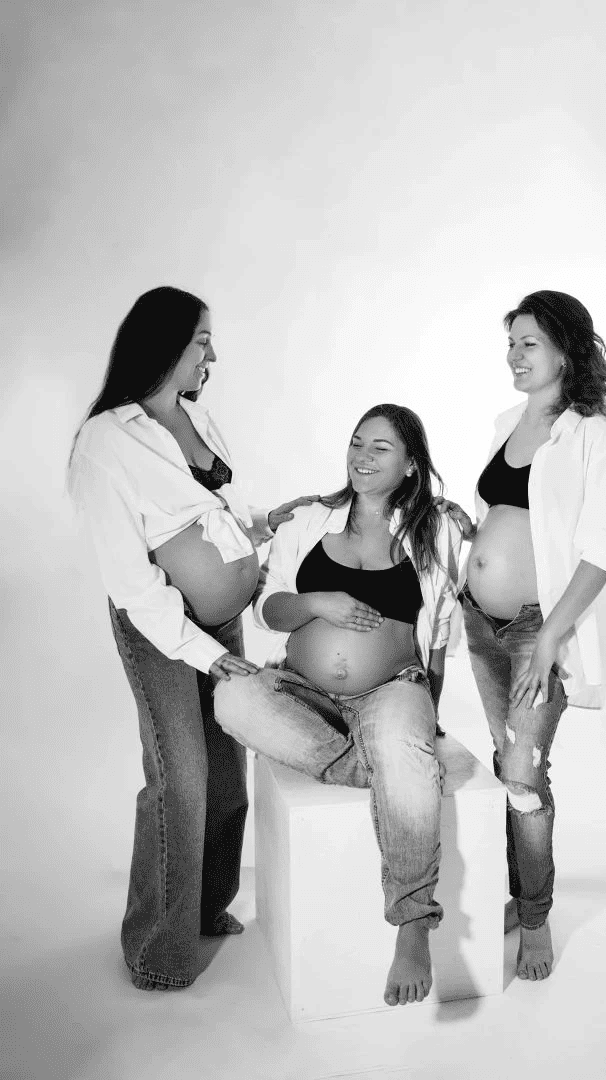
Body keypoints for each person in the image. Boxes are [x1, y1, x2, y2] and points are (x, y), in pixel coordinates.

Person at [68, 286, 312, 990]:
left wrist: (266, 522)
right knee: (180, 782)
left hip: (221, 623)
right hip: (162, 632)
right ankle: (157, 950)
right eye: (203, 339)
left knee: (227, 778)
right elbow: (132, 582)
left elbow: (213, 513)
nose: (213, 354)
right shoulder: (107, 440)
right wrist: (208, 656)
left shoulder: (195, 416)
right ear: (166, 343)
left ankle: (206, 907)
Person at [213, 404, 463, 1006]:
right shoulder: (309, 520)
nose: (363, 456)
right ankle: (387, 767)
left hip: (392, 686)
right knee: (232, 697)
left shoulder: (434, 530)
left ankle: (412, 924)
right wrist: (316, 602)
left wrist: (427, 712)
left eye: (381, 447)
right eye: (357, 442)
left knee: (402, 740)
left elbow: (439, 632)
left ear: (410, 465)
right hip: (305, 691)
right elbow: (268, 608)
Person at [449, 290, 606, 982]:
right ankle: (518, 892)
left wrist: (552, 639)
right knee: (508, 763)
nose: (514, 355)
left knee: (524, 775)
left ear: (566, 350)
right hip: (480, 620)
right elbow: (513, 517)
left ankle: (535, 918)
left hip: (538, 628)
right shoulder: (510, 422)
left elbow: (604, 549)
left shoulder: (596, 438)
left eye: (528, 343)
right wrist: (468, 536)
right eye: (511, 343)